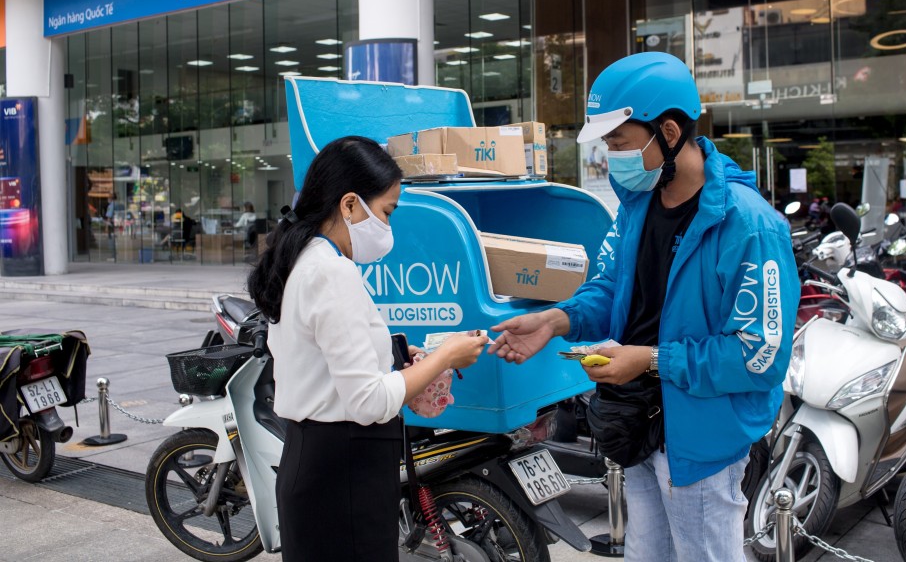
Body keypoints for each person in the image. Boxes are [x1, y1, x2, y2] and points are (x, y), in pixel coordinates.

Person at [488, 52, 799, 562]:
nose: (611, 157)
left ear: (670, 133)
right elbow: (613, 287)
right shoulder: (638, 205)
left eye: (619, 142)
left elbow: (758, 354)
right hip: (636, 424)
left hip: (699, 438)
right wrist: (555, 319)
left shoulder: (750, 227)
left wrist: (651, 359)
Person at [246, 136, 485, 561]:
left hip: (323, 465)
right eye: (387, 211)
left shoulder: (307, 259)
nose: (388, 227)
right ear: (350, 204)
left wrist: (396, 351)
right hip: (343, 475)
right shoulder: (331, 272)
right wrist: (446, 355)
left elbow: (322, 355)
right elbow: (369, 401)